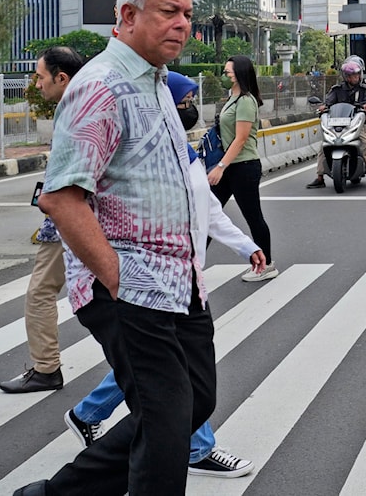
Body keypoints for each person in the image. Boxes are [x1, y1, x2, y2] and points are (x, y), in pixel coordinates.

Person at [17, 0, 215, 496]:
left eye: (188, 14)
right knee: (168, 421)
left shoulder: (156, 82)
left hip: (180, 282)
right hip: (131, 285)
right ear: (127, 16)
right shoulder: (102, 87)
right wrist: (116, 277)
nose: (183, 25)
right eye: (169, 12)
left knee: (196, 401)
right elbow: (62, 196)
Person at [65, 72, 260, 478]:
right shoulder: (132, 152)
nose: (190, 109)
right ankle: (196, 447)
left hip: (180, 281)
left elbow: (207, 212)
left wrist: (247, 247)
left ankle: (88, 418)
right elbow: (69, 206)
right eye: (183, 102)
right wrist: (114, 278)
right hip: (142, 284)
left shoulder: (185, 154)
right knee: (173, 382)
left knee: (167, 377)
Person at [0, 47, 85, 395]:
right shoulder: (84, 105)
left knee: (39, 294)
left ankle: (46, 368)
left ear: (61, 78)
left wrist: (54, 204)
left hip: (71, 219)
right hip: (76, 217)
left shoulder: (75, 112)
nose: (36, 84)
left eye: (40, 76)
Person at [208, 55, 278, 282]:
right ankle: (192, 264)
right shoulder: (232, 97)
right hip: (230, 166)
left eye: (228, 73)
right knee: (207, 214)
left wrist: (220, 166)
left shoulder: (246, 101)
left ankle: (267, 264)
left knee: (253, 217)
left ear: (240, 74)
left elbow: (240, 140)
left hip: (243, 167)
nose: (225, 76)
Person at [306, 60, 366, 189]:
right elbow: (329, 102)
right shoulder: (337, 90)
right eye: (351, 76)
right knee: (323, 147)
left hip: (357, 124)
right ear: (345, 77)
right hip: (338, 125)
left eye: (357, 75)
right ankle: (320, 177)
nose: (354, 78)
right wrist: (323, 107)